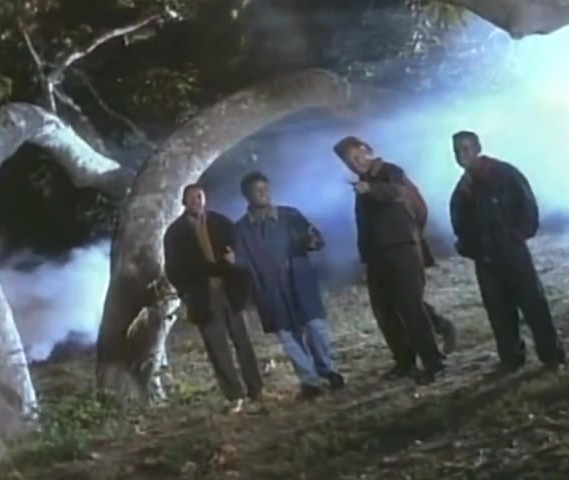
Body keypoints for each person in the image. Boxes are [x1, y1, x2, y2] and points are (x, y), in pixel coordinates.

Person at [333, 135, 447, 384]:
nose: (356, 163)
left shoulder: (390, 171)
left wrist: (371, 190)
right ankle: (405, 362)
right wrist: (365, 256)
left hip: (401, 248)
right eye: (349, 161)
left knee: (410, 307)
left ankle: (433, 362)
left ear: (368, 150)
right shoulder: (363, 183)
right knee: (384, 311)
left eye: (358, 156)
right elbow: (364, 224)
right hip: (378, 255)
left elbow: (398, 193)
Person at [448, 130, 565, 371]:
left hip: (513, 253)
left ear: (478, 148)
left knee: (533, 305)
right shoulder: (463, 189)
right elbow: (460, 224)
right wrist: (470, 248)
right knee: (499, 312)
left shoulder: (504, 174)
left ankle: (552, 356)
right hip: (485, 259)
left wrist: (516, 236)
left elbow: (528, 205)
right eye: (457, 152)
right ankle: (511, 360)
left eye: (466, 149)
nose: (461, 156)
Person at [226, 171, 345, 400]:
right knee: (288, 336)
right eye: (257, 190)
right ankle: (309, 381)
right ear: (247, 195)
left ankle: (328, 369)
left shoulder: (290, 215)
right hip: (269, 288)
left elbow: (314, 239)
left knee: (315, 327)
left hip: (298, 280)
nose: (264, 193)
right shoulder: (242, 229)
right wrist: (234, 261)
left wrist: (311, 241)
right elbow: (243, 261)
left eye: (265, 188)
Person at [163, 184, 263, 413]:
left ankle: (256, 389)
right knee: (218, 349)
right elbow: (173, 269)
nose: (196, 201)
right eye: (191, 198)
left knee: (243, 342)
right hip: (202, 296)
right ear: (184, 202)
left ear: (205, 198)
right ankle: (234, 395)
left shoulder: (222, 222)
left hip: (230, 292)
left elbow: (239, 253)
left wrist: (237, 273)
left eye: (199, 196)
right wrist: (186, 293)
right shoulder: (175, 233)